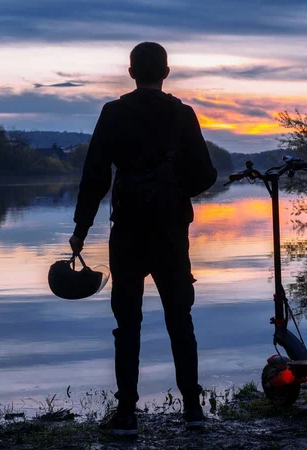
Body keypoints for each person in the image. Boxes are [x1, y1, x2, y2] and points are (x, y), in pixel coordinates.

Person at [69, 42, 217, 436]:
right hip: (170, 233)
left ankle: (127, 415)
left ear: (131, 72)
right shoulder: (182, 115)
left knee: (127, 323)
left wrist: (81, 230)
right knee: (180, 319)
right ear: (166, 73)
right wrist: (172, 185)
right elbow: (206, 175)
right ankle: (193, 410)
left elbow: (95, 177)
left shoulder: (113, 113)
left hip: (128, 233)